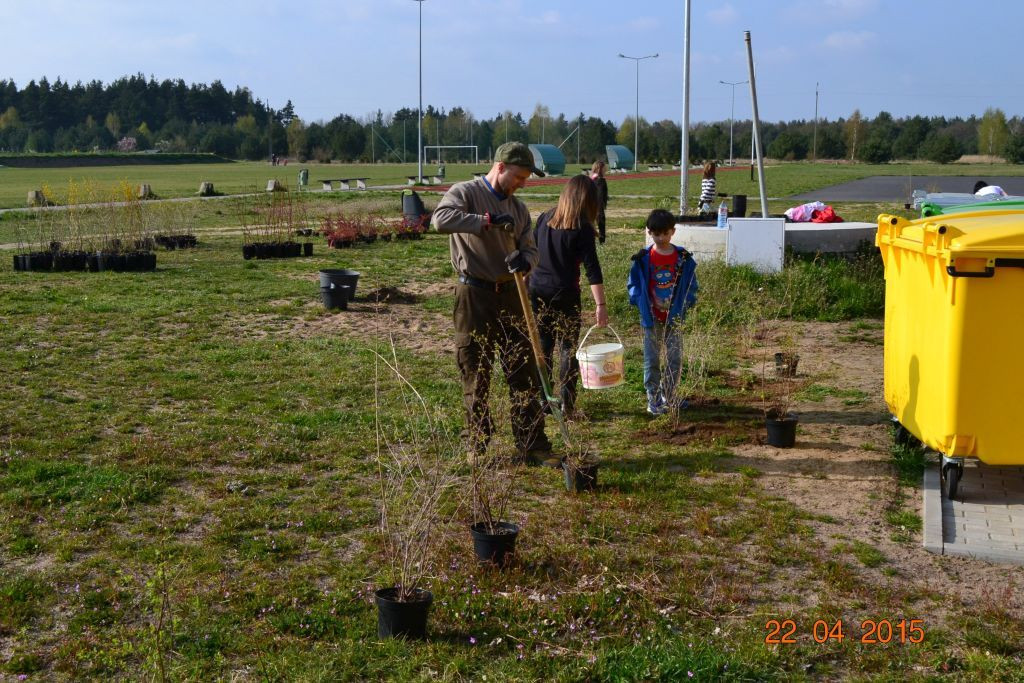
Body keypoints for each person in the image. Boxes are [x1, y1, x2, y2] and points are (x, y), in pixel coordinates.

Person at [431, 142, 556, 466]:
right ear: (500, 167)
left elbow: (531, 248)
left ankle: (532, 444)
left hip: (511, 292)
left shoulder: (519, 209)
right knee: (476, 370)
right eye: (518, 176)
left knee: (523, 369)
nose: (521, 183)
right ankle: (477, 444)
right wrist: (484, 220)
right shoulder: (466, 192)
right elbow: (441, 220)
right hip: (474, 294)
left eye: (526, 178)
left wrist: (525, 261)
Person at [529, 175, 607, 418]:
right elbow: (592, 269)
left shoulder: (544, 218)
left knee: (543, 345)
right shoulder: (581, 227)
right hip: (565, 294)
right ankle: (567, 404)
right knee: (567, 348)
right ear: (587, 200)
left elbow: (530, 252)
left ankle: (543, 400)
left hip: (537, 290)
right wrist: (600, 304)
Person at [627, 209, 698, 415]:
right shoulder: (643, 260)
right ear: (649, 233)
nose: (660, 238)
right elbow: (634, 285)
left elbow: (691, 285)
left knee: (675, 357)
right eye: (656, 234)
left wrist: (685, 304)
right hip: (652, 319)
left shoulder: (683, 258)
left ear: (673, 232)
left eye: (665, 233)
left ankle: (669, 393)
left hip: (674, 318)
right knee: (652, 359)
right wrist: (643, 304)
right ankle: (654, 399)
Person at [589, 160, 609, 244]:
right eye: (604, 168)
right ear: (600, 169)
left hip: (590, 204)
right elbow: (601, 194)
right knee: (601, 223)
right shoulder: (601, 181)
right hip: (598, 206)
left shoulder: (591, 179)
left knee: (590, 223)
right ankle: (602, 240)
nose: (606, 170)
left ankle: (589, 238)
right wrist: (601, 207)